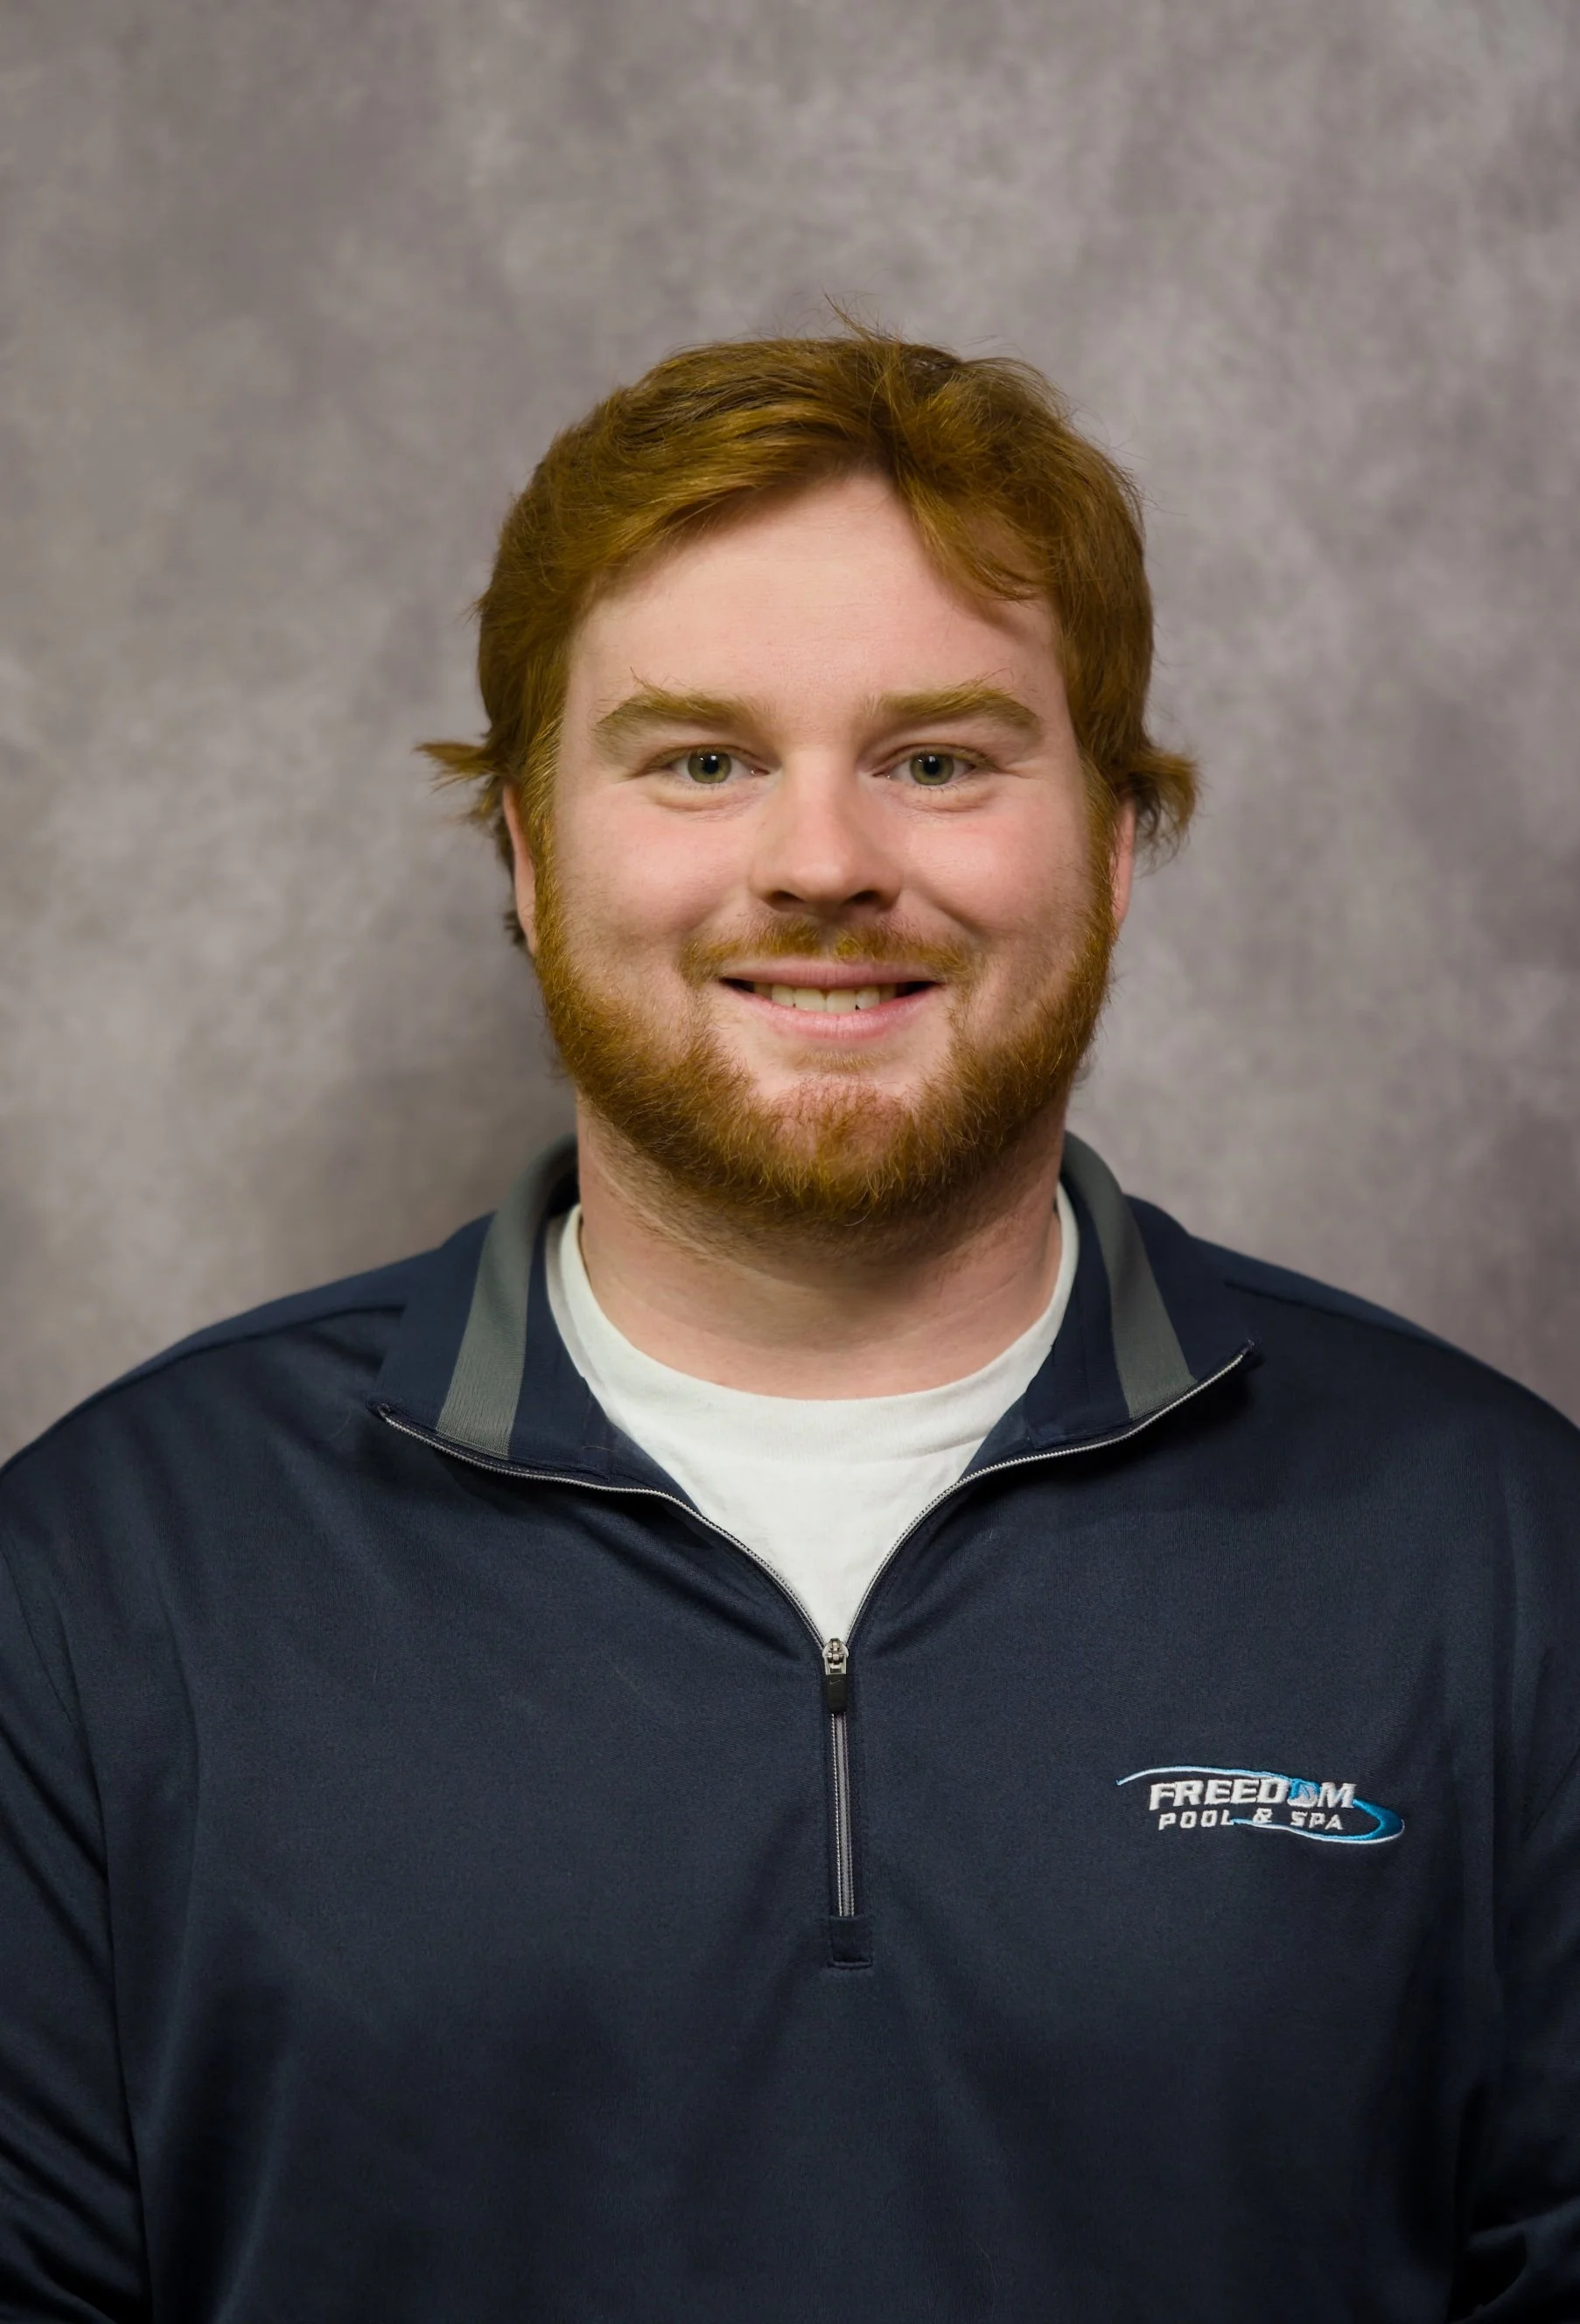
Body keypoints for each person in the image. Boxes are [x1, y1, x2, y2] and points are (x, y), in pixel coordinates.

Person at [2, 328, 1577, 2324]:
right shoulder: (97, 1589)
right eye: (700, 758)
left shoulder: (1507, 1557)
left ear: (1107, 838)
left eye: (938, 758)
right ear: (525, 849)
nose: (825, 861)